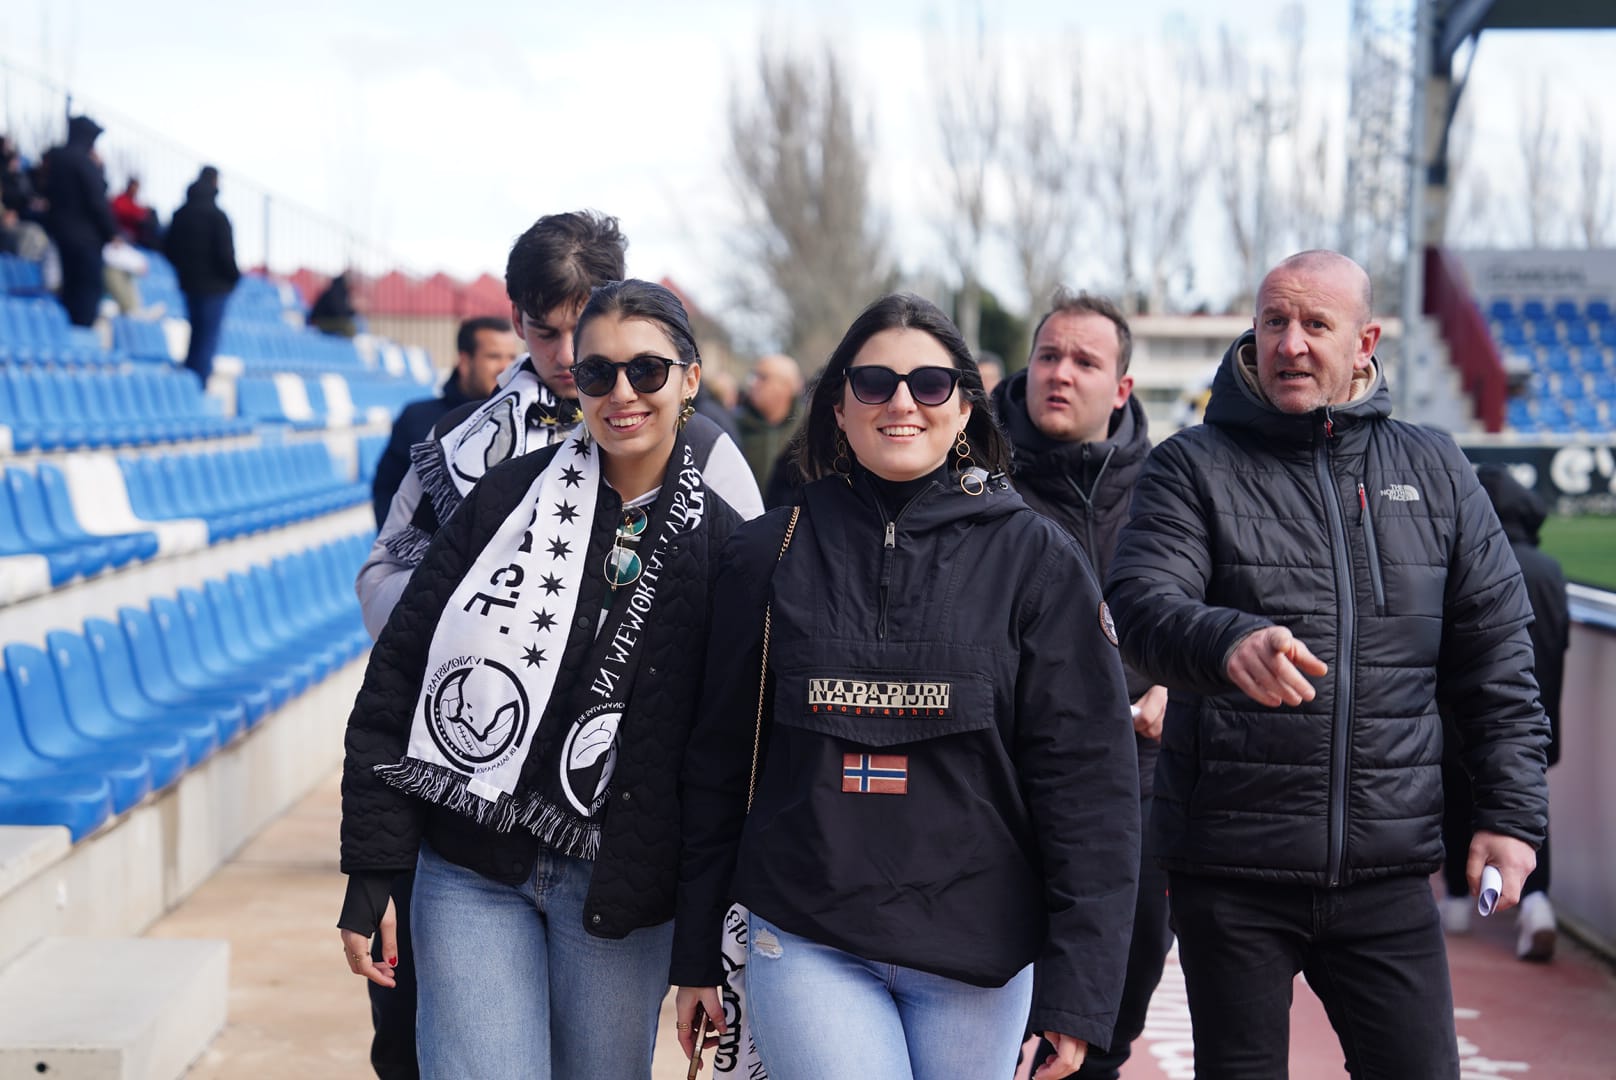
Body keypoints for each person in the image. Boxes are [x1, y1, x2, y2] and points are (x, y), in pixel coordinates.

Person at [1106, 249, 1550, 1079]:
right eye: (1275, 321)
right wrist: (1226, 641)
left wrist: (1512, 816)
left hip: (1388, 871)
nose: (1292, 343)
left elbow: (1496, 660)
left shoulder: (1436, 469)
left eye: (1316, 324)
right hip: (1230, 868)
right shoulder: (1190, 465)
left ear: (1365, 342)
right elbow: (1139, 608)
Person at [673, 293, 1140, 1080]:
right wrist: (695, 955)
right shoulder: (765, 554)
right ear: (838, 407)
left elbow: (1090, 787)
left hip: (980, 959)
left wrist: (1080, 993)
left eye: (929, 384)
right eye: (874, 383)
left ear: (964, 408)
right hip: (807, 937)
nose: (901, 403)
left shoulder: (1038, 558)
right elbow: (716, 765)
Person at [351, 212, 760, 1080]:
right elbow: (393, 634)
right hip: (467, 811)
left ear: (686, 377)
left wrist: (706, 933)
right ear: (518, 319)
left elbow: (736, 704)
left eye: (638, 367)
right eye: (559, 338)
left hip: (619, 857)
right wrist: (476, 634)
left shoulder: (715, 480)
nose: (596, 374)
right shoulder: (477, 458)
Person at [357, 210, 761, 639]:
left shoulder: (699, 443)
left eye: (582, 327)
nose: (568, 355)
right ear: (516, 319)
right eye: (546, 333)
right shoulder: (459, 440)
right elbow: (378, 589)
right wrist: (479, 587)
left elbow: (754, 593)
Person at [990, 289, 1169, 1080]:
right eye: (1048, 356)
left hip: (1139, 782)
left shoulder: (1168, 488)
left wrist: (1178, 682)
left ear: (1121, 388)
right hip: (1000, 784)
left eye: (1085, 362)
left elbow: (1214, 609)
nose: (1060, 374)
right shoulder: (974, 475)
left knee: (1103, 1022)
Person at [1440, 463, 1569, 961]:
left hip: (1461, 716)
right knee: (1528, 808)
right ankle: (1537, 904)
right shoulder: (1550, 570)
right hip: (1536, 715)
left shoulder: (1462, 565)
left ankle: (1455, 901)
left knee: (1456, 798)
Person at [370, 316, 521, 527]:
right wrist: (403, 551)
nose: (506, 367)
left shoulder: (527, 420)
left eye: (512, 358)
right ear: (465, 361)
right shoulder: (416, 418)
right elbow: (387, 490)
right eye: (494, 356)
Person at [163, 165, 240, 383]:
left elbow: (168, 248)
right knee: (206, 339)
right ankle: (197, 387)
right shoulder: (217, 217)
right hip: (215, 287)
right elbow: (226, 255)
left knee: (197, 335)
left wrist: (184, 270)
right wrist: (233, 277)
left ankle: (190, 384)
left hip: (189, 284)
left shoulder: (181, 214)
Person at [41, 115, 118, 326]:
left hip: (62, 234)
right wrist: (111, 233)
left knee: (71, 289)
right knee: (87, 291)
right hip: (86, 240)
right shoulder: (84, 163)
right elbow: (97, 202)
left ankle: (72, 334)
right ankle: (81, 337)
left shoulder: (57, 159)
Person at [734, 353, 804, 487]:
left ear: (787, 385)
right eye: (753, 376)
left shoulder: (807, 428)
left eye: (762, 377)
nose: (753, 383)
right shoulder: (735, 425)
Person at [309, 271, 360, 337]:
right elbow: (338, 311)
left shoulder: (340, 290)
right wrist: (352, 311)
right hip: (319, 322)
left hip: (324, 320)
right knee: (349, 326)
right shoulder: (336, 291)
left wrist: (353, 312)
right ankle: (345, 346)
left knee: (358, 323)